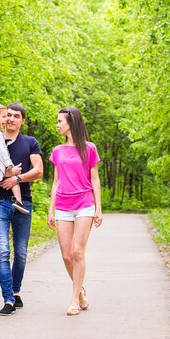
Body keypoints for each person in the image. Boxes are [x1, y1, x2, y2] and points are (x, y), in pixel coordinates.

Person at [0, 102, 43, 316]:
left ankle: (15, 291)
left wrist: (16, 178)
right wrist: (5, 175)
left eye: (16, 116)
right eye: (9, 115)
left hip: (23, 202)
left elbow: (38, 171)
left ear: (22, 120)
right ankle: (8, 299)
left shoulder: (29, 143)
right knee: (2, 251)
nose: (11, 119)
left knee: (21, 253)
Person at [47, 106, 103, 316]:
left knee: (78, 252)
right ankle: (80, 292)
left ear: (71, 122)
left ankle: (73, 300)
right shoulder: (57, 151)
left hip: (84, 204)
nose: (57, 125)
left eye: (60, 121)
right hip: (63, 206)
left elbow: (95, 179)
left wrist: (98, 208)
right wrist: (50, 210)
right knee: (66, 255)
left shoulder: (89, 148)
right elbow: (56, 182)